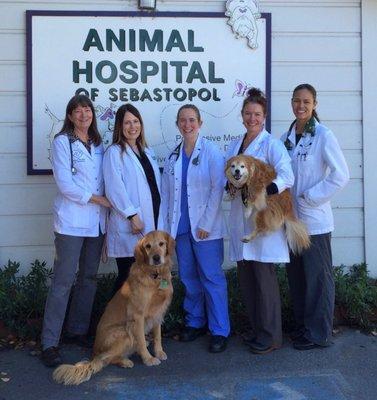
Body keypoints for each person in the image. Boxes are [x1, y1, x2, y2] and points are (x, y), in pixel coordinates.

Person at [41, 94, 110, 367]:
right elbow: (65, 185)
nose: (83, 115)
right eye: (77, 111)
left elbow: (106, 182)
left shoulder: (99, 144)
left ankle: (77, 331)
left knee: (89, 278)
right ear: (70, 116)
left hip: (96, 224)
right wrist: (97, 199)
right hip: (70, 223)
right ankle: (49, 342)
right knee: (63, 281)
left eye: (87, 110)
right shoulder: (63, 143)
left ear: (92, 114)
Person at [281, 83, 349, 350]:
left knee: (318, 279)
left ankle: (319, 333)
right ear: (291, 102)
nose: (301, 106)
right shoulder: (285, 137)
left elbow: (341, 175)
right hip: (290, 221)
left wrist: (310, 196)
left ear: (315, 104)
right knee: (298, 278)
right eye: (297, 100)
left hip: (313, 221)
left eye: (306, 101)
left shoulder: (323, 135)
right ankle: (303, 327)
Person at [226, 88, 294, 355]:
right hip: (240, 220)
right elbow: (231, 174)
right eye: (247, 114)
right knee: (247, 278)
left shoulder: (271, 144)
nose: (251, 118)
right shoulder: (235, 144)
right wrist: (229, 186)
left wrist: (267, 190)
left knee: (264, 280)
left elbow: (287, 174)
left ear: (264, 117)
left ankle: (271, 336)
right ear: (242, 116)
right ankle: (257, 330)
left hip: (262, 220)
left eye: (257, 114)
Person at [161, 104, 230, 353]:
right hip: (180, 229)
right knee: (189, 279)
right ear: (177, 124)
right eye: (182, 120)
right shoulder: (172, 156)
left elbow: (217, 188)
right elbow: (167, 197)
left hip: (204, 230)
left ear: (200, 123)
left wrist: (206, 224)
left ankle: (220, 330)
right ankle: (195, 322)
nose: (187, 124)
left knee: (211, 278)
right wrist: (164, 232)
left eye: (191, 120)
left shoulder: (211, 151)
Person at [103, 104, 164, 295]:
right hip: (131, 223)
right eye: (127, 122)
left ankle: (139, 321)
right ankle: (114, 320)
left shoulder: (147, 151)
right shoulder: (114, 152)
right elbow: (114, 189)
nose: (132, 126)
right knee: (128, 277)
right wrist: (132, 215)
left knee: (146, 278)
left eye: (136, 121)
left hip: (151, 222)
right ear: (119, 127)